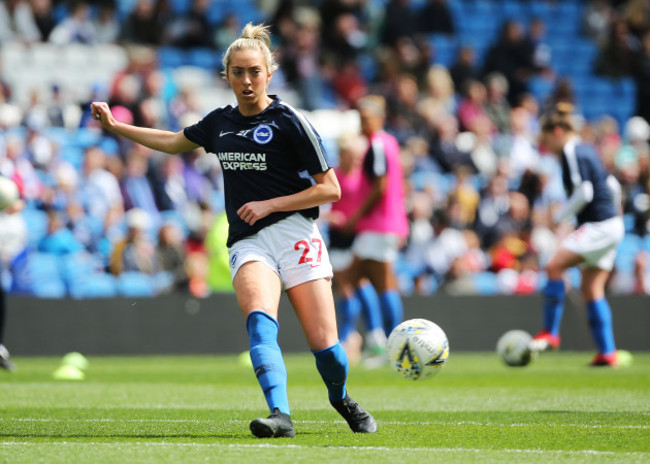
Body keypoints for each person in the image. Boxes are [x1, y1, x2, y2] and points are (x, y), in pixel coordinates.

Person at [91, 23, 376, 438]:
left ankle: (340, 398)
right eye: (237, 72)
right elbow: (173, 141)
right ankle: (280, 414)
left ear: (269, 73)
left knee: (326, 348)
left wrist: (270, 204)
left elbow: (329, 189)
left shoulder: (290, 120)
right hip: (250, 240)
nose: (246, 81)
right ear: (226, 76)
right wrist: (117, 127)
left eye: (254, 72)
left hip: (297, 234)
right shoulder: (219, 123)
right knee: (260, 323)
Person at [529, 104, 625, 367]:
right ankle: (608, 352)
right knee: (592, 288)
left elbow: (585, 193)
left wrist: (558, 218)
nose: (545, 144)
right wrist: (615, 215)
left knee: (553, 265)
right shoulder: (587, 150)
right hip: (612, 225)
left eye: (546, 138)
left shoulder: (572, 150)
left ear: (557, 131)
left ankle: (550, 331)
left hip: (599, 225)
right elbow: (613, 187)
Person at [345, 95, 409, 345]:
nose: (362, 124)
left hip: (378, 224)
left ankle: (389, 341)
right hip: (385, 224)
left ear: (380, 118)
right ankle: (380, 339)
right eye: (360, 119)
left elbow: (380, 186)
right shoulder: (388, 143)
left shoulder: (379, 144)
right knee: (357, 277)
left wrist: (356, 216)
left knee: (373, 280)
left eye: (366, 119)